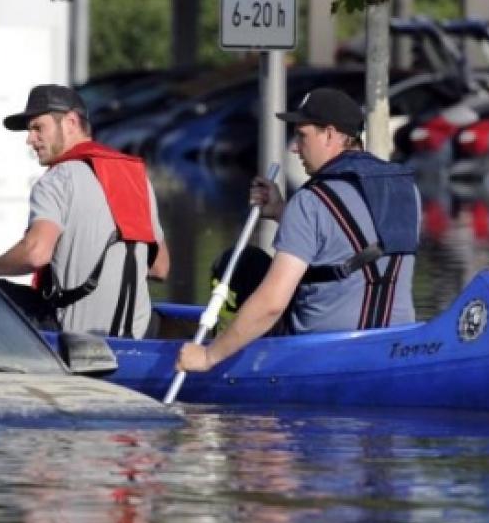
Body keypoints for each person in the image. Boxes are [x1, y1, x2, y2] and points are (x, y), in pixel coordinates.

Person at [176, 87, 419, 373]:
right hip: (398, 346)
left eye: (302, 135)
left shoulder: (311, 200)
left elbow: (272, 304)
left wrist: (207, 357)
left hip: (322, 354)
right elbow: (351, 241)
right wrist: (282, 212)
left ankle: (226, 356)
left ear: (330, 135)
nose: (294, 147)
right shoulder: (407, 189)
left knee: (240, 264)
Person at [0, 84, 169, 338]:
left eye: (38, 127)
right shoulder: (137, 178)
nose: (29, 139)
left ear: (70, 122)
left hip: (74, 337)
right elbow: (159, 267)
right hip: (137, 335)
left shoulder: (57, 179)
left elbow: (36, 254)